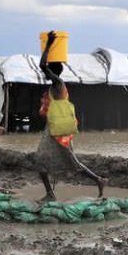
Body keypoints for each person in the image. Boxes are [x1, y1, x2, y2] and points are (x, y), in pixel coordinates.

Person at [36, 31, 105, 202]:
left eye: (48, 71)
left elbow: (42, 65)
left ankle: (99, 180)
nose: (45, 73)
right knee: (42, 160)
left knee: (69, 162)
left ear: (53, 72)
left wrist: (49, 44)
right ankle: (51, 193)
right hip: (53, 128)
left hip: (59, 130)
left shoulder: (58, 84)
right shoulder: (55, 86)